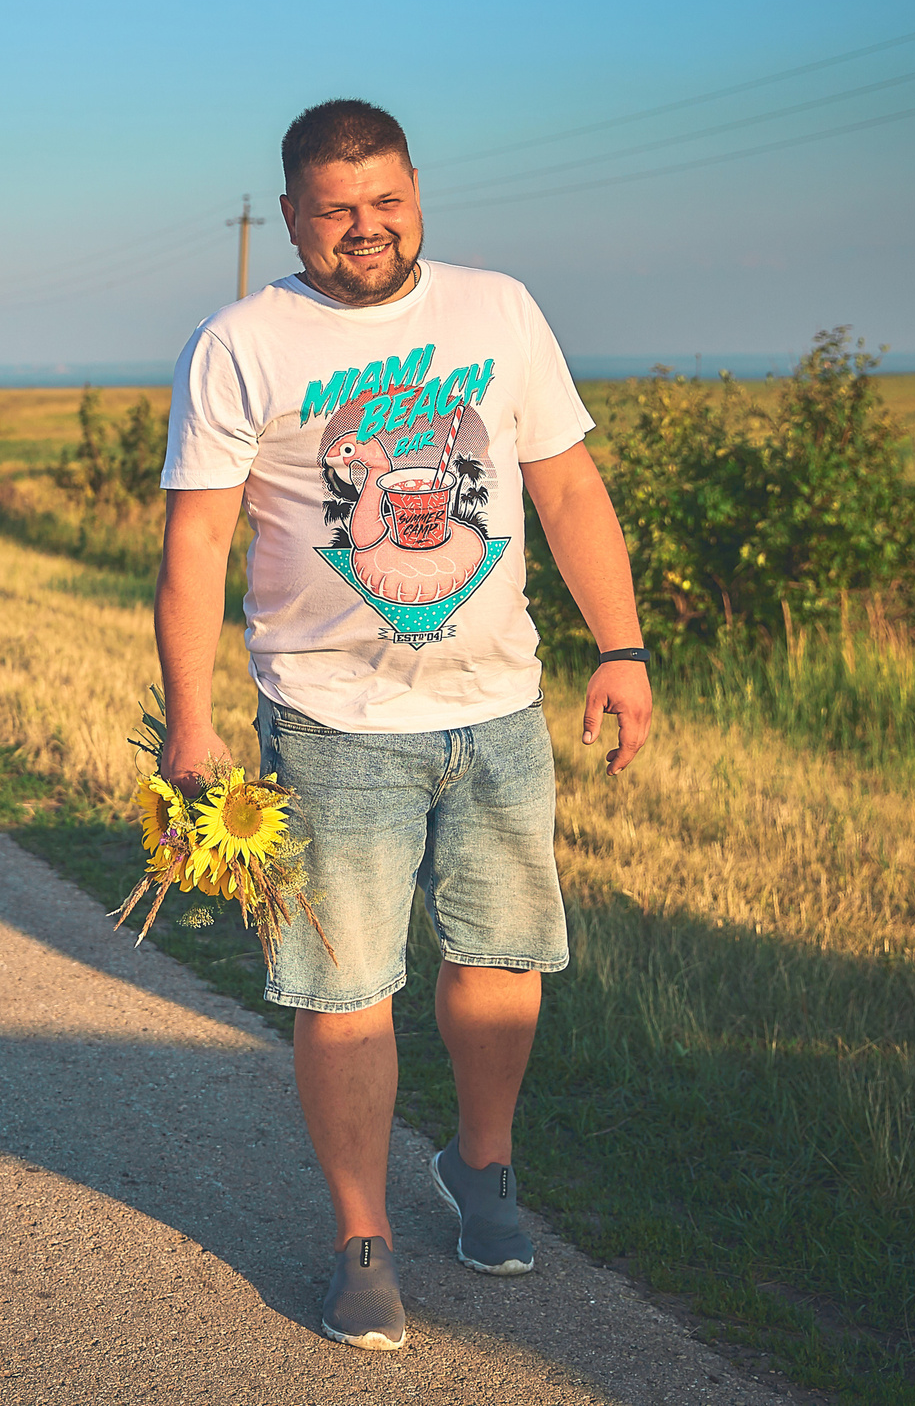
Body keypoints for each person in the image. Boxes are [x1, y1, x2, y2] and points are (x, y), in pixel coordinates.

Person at [155, 99, 653, 1351]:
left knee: (499, 963)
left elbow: (568, 485)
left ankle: (480, 1175)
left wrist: (622, 647)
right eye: (336, 209)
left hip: (496, 710)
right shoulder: (242, 342)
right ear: (291, 216)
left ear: (417, 190)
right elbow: (195, 544)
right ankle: (360, 1239)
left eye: (386, 202)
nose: (365, 230)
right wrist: (189, 725)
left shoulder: (499, 310)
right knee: (345, 988)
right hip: (328, 724)